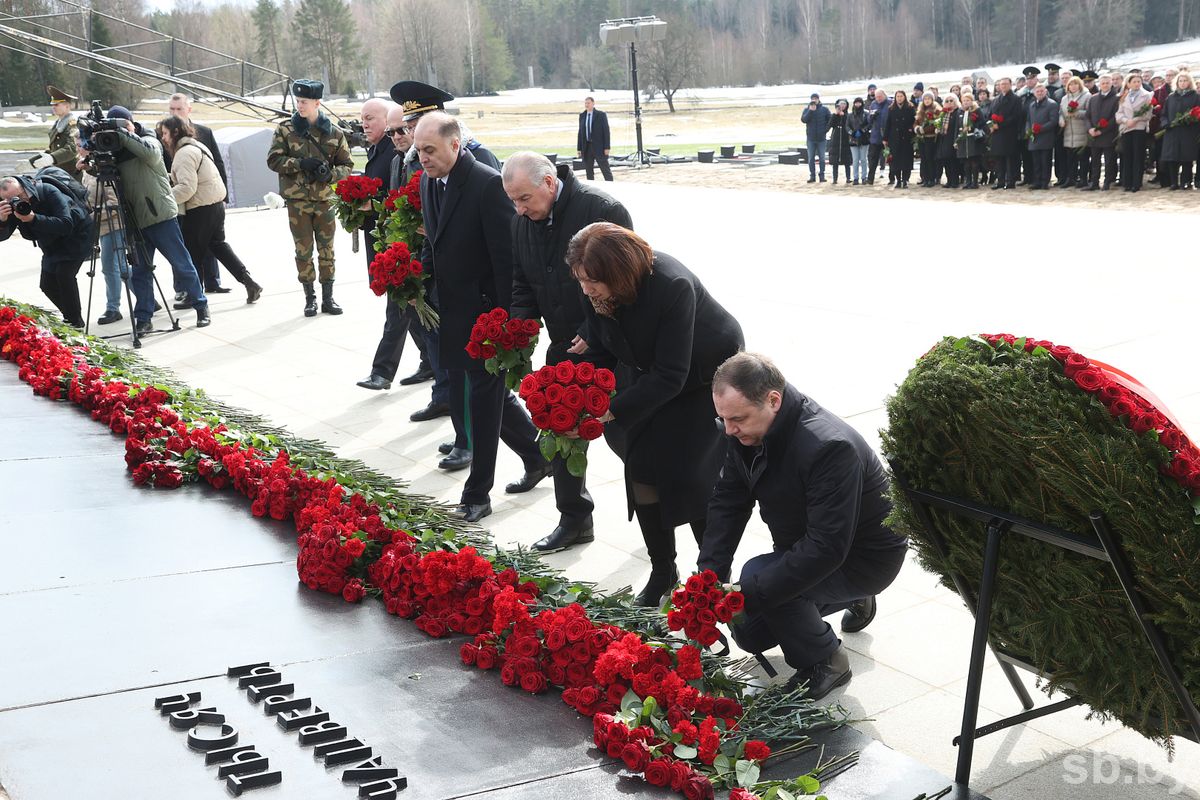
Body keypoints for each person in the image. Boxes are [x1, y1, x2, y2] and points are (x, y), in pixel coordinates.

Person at [698, 352, 907, 700]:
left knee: (763, 582)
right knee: (749, 633)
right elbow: (728, 502)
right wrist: (709, 578)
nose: (730, 430)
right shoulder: (747, 432)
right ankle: (841, 600)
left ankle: (827, 662)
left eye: (738, 419)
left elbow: (826, 548)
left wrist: (748, 592)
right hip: (811, 543)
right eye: (723, 419)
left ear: (773, 400)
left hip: (864, 557)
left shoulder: (827, 446)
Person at [569, 222, 744, 607]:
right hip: (647, 371)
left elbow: (672, 374)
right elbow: (601, 344)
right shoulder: (596, 287)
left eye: (592, 281)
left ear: (618, 272)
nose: (586, 289)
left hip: (701, 377)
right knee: (641, 468)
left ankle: (712, 578)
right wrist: (574, 392)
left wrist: (611, 411)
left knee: (692, 478)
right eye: (580, 280)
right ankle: (663, 569)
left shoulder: (671, 284)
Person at [413, 112, 547, 523]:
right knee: (492, 398)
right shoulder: (428, 182)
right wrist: (417, 278)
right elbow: (436, 244)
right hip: (452, 311)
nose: (423, 158)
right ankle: (538, 457)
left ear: (455, 145)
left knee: (483, 401)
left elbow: (508, 261)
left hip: (488, 317)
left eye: (430, 150)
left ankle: (477, 494)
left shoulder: (488, 184)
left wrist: (509, 322)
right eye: (419, 151)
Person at [502, 151, 634, 551]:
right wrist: (521, 326)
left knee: (633, 440)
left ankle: (662, 518)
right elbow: (522, 280)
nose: (519, 209)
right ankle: (575, 519)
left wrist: (593, 328)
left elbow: (630, 281)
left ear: (547, 183)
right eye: (512, 201)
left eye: (524, 198)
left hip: (617, 345)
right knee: (561, 434)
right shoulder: (522, 223)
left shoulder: (602, 210)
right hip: (566, 347)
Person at [390, 80, 501, 432]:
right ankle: (454, 415)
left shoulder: (477, 160)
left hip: (476, 295)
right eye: (409, 128)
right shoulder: (419, 168)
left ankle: (469, 443)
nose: (413, 139)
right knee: (454, 368)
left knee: (484, 387)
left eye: (417, 124)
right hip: (442, 286)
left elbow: (500, 241)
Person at [85, 105, 209, 332]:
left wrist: (125, 132)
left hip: (159, 215)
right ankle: (144, 318)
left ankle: (201, 307)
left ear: (129, 123)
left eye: (121, 125)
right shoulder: (116, 152)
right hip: (135, 221)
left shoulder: (148, 139)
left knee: (181, 263)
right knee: (141, 272)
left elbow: (151, 154)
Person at [266, 79, 353, 317]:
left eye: (304, 102)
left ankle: (328, 297)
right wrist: (299, 163)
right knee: (303, 250)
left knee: (327, 250)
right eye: (298, 101)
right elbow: (273, 160)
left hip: (325, 200)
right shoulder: (285, 129)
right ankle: (310, 298)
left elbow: (347, 165)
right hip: (298, 202)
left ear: (317, 102)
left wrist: (331, 174)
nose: (299, 106)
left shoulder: (333, 132)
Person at [158, 116, 262, 307]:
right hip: (216, 205)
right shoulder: (198, 146)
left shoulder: (183, 154)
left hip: (200, 208)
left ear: (175, 132)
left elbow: (187, 188)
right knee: (218, 246)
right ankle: (249, 282)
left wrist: (163, 199)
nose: (162, 138)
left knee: (191, 253)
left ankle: (194, 296)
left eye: (164, 133)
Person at [355, 97, 407, 392]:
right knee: (407, 308)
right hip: (381, 237)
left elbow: (393, 198)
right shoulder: (379, 150)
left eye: (371, 117)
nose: (364, 123)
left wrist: (368, 205)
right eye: (362, 117)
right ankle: (427, 360)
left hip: (395, 242)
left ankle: (382, 371)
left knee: (398, 306)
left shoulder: (393, 152)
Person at [166, 93, 237, 296]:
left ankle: (212, 282)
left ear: (189, 110)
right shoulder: (163, 134)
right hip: (181, 197)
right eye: (171, 109)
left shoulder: (203, 132)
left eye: (179, 109)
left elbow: (218, 165)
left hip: (206, 198)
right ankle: (182, 288)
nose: (175, 113)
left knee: (210, 241)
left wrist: (224, 197)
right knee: (182, 244)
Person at [0, 174, 91, 328]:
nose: (19, 201)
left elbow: (65, 223)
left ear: (24, 186)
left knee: (64, 275)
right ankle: (71, 317)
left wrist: (33, 219)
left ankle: (75, 322)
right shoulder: (13, 205)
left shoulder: (47, 191)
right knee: (47, 284)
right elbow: (3, 236)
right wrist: (2, 221)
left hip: (76, 236)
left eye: (19, 196)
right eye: (10, 200)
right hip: (51, 243)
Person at [78, 148, 128, 326]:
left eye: (80, 145)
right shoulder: (88, 171)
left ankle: (113, 308)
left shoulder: (103, 169)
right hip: (100, 226)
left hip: (113, 225)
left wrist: (92, 217)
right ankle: (149, 299)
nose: (77, 149)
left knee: (109, 268)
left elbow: (115, 202)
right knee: (121, 267)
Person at [1160, 72, 1200, 190]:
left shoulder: (1195, 97)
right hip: (1172, 131)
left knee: (1186, 158)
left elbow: (1197, 113)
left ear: (1189, 82)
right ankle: (1174, 182)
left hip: (1188, 131)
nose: (1182, 83)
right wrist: (1165, 123)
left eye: (1185, 81)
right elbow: (1164, 114)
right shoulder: (1171, 97)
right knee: (1172, 158)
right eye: (1180, 81)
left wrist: (1190, 120)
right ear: (1176, 83)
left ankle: (1185, 181)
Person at [30, 86, 79, 178]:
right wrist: (33, 161)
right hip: (59, 170)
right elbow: (54, 148)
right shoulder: (58, 123)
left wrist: (52, 158)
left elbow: (73, 148)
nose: (53, 107)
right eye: (52, 105)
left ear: (67, 106)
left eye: (56, 105)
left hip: (71, 172)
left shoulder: (72, 123)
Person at [1116, 72, 1153, 192]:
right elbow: (1119, 113)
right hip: (1127, 128)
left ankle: (1136, 183)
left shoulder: (1147, 95)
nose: (1137, 84)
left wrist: (1135, 119)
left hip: (1139, 128)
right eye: (1134, 82)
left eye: (1139, 82)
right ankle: (1127, 182)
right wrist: (1126, 120)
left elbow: (1147, 113)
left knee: (1138, 155)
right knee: (1127, 155)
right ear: (1128, 84)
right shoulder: (1124, 96)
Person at [1084, 74, 1120, 191]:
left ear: (1111, 84)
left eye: (1107, 83)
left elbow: (1115, 118)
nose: (1105, 85)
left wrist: (1102, 131)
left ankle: (1107, 182)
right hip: (1094, 135)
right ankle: (1094, 182)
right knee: (1095, 161)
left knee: (1109, 161)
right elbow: (1087, 116)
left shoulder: (1116, 98)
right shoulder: (1093, 98)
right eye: (1103, 83)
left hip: (1108, 135)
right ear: (1099, 84)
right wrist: (1090, 129)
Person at [989, 77, 1023, 190]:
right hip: (997, 134)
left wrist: (1001, 125)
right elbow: (990, 115)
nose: (1003, 86)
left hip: (1009, 133)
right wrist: (991, 125)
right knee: (999, 159)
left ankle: (1010, 181)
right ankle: (1000, 180)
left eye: (1005, 84)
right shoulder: (995, 100)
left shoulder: (1016, 99)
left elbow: (1016, 116)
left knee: (1010, 158)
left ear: (1010, 84)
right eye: (1001, 84)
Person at [1059, 76, 1092, 188]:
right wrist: (1061, 119)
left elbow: (1089, 112)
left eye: (1075, 84)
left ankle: (1083, 179)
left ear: (1079, 85)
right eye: (1071, 84)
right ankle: (1071, 178)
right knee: (1070, 158)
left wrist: (1077, 113)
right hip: (1069, 132)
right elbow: (1061, 112)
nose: (1073, 86)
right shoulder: (1064, 98)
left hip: (1081, 130)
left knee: (1083, 158)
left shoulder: (1086, 96)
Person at [1025, 84, 1059, 191]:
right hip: (1034, 138)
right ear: (1034, 93)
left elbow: (1053, 121)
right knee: (1036, 162)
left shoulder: (1052, 104)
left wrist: (1041, 128)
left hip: (1046, 137)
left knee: (1045, 161)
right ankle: (1037, 181)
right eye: (1037, 91)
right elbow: (1028, 120)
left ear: (1045, 92)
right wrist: (1028, 130)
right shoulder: (1031, 105)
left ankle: (1045, 181)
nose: (1039, 93)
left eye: (1041, 91)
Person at [883, 90, 915, 188]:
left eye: (901, 96)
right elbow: (888, 124)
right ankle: (898, 180)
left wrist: (911, 130)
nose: (899, 98)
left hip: (906, 137)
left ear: (904, 97)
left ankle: (905, 180)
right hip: (894, 138)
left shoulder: (910, 107)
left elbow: (914, 120)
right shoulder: (891, 108)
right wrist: (885, 138)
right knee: (895, 161)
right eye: (898, 96)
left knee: (906, 160)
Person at [577, 97, 613, 182]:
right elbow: (580, 133)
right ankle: (591, 187)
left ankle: (611, 185)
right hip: (587, 147)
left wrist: (607, 147)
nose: (587, 105)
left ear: (593, 103)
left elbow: (606, 131)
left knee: (605, 169)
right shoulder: (582, 116)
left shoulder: (601, 115)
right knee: (589, 171)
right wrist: (579, 148)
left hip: (599, 147)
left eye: (588, 103)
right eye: (585, 103)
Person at [957, 92, 986, 189]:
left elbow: (982, 123)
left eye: (968, 100)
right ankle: (968, 181)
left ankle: (975, 182)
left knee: (974, 161)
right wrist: (956, 140)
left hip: (973, 138)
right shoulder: (960, 112)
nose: (966, 102)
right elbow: (957, 127)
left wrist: (972, 127)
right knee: (966, 163)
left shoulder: (976, 110)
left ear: (971, 101)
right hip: (963, 139)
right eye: (964, 101)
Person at [801, 93, 832, 183]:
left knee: (822, 158)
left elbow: (830, 120)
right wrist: (810, 111)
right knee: (811, 158)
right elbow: (803, 120)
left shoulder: (824, 109)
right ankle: (812, 176)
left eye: (816, 99)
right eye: (813, 99)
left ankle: (822, 175)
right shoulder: (806, 109)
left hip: (821, 138)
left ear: (819, 99)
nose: (814, 100)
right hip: (811, 138)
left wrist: (825, 130)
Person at [915, 92, 943, 187]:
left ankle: (932, 178)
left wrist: (925, 130)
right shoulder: (920, 109)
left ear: (932, 99)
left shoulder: (936, 109)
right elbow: (916, 122)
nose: (927, 100)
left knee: (930, 158)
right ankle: (925, 178)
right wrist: (917, 128)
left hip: (931, 138)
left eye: (928, 98)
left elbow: (936, 123)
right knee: (923, 159)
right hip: (921, 138)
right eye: (925, 99)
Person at [935, 93, 961, 188]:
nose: (949, 103)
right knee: (945, 161)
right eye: (947, 101)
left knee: (953, 161)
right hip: (943, 138)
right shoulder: (944, 113)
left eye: (951, 100)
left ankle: (955, 181)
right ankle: (949, 180)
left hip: (952, 138)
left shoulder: (958, 112)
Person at [866, 89, 890, 185]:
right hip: (875, 136)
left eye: (880, 96)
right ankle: (870, 179)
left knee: (890, 158)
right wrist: (871, 116)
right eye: (876, 97)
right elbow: (869, 120)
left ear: (884, 95)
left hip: (887, 135)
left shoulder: (890, 104)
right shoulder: (873, 104)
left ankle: (892, 178)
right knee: (873, 158)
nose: (878, 99)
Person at [846, 97, 870, 185]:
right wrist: (852, 133)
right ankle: (855, 177)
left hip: (864, 139)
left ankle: (864, 177)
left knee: (863, 159)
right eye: (856, 103)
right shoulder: (850, 115)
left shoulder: (866, 113)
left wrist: (862, 131)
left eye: (859, 103)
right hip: (853, 140)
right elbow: (847, 126)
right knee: (855, 160)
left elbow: (869, 124)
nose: (858, 105)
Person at [827, 99, 852, 185]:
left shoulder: (848, 115)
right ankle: (835, 179)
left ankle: (848, 178)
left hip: (845, 139)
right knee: (835, 161)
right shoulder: (834, 115)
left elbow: (849, 125)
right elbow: (829, 125)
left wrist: (844, 115)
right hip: (836, 139)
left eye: (844, 104)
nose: (842, 105)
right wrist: (835, 115)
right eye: (841, 104)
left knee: (847, 161)